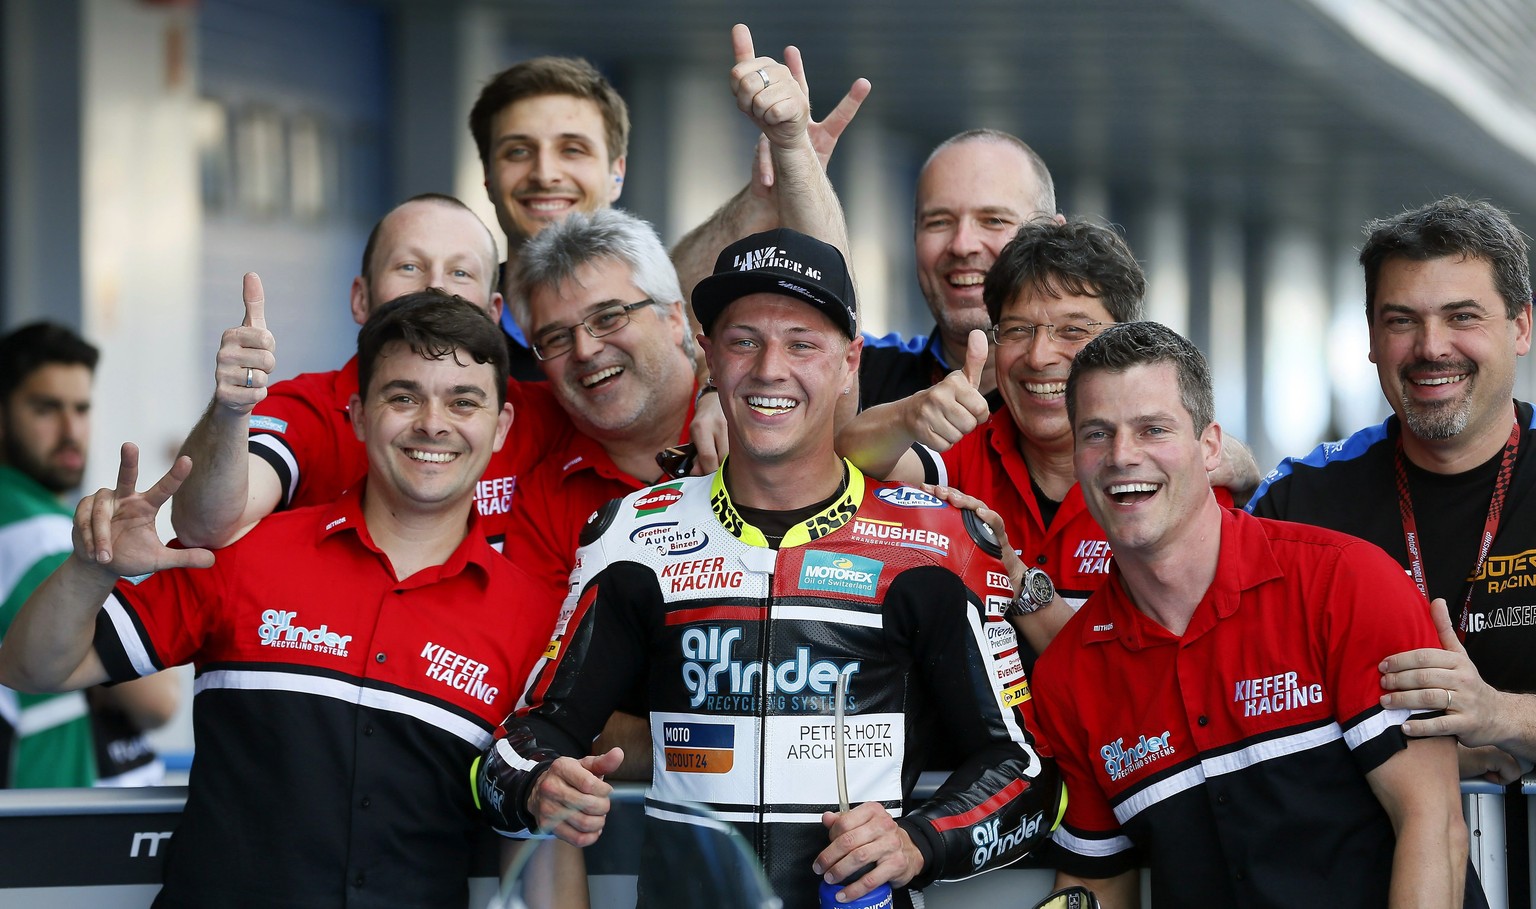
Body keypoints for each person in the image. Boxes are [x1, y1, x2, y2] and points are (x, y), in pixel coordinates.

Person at [474, 227, 1062, 909]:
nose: (769, 367)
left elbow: (1029, 778)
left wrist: (919, 842)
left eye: (802, 344)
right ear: (709, 358)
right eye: (744, 340)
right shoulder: (632, 535)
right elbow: (512, 751)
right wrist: (537, 783)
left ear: (849, 364)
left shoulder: (936, 542)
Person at [0, 292, 553, 907]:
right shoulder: (242, 555)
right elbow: (31, 669)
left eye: (463, 401)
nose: (432, 422)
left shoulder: (534, 620)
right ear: (358, 416)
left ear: (501, 427)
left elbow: (537, 844)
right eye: (403, 396)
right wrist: (89, 568)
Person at [1030, 321, 1469, 908]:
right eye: (1097, 434)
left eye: (1153, 429)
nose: (1122, 456)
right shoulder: (1068, 675)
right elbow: (1099, 885)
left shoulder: (1346, 584)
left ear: (1210, 447)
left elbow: (1432, 825)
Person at [1247, 196, 1536, 782]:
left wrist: (1501, 714)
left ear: (1521, 327)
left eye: (1462, 316)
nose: (1431, 347)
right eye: (1402, 320)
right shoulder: (1298, 501)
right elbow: (1226, 705)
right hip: (1360, 866)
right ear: (1373, 339)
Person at [170, 193, 564, 551]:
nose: (436, 288)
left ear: (494, 312)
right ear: (361, 298)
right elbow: (207, 526)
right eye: (409, 266)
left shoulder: (542, 418)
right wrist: (231, 409)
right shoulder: (308, 411)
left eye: (461, 273)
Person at [471, 32, 869, 384]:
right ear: (487, 175)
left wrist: (793, 158)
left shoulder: (677, 340)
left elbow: (832, 350)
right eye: (518, 151)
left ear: (617, 173)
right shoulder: (455, 324)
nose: (545, 172)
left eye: (572, 149)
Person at [0, 322, 177, 788]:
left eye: (81, 409)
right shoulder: (39, 536)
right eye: (46, 409)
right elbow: (157, 702)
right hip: (50, 802)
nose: (70, 430)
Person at [859, 129, 1060, 411]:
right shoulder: (861, 376)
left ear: (1052, 240)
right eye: (939, 222)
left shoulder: (1100, 396)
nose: (962, 245)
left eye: (993, 220)